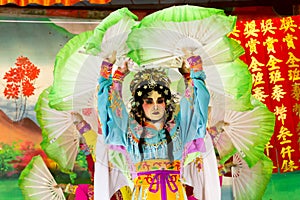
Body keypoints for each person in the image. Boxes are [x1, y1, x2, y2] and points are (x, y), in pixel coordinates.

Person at [95, 49, 221, 199]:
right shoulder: (130, 133)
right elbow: (112, 111)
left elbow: (195, 107)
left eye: (160, 101)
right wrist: (115, 76)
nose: (155, 106)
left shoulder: (179, 129)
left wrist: (191, 73)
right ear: (139, 105)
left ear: (166, 104)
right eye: (148, 101)